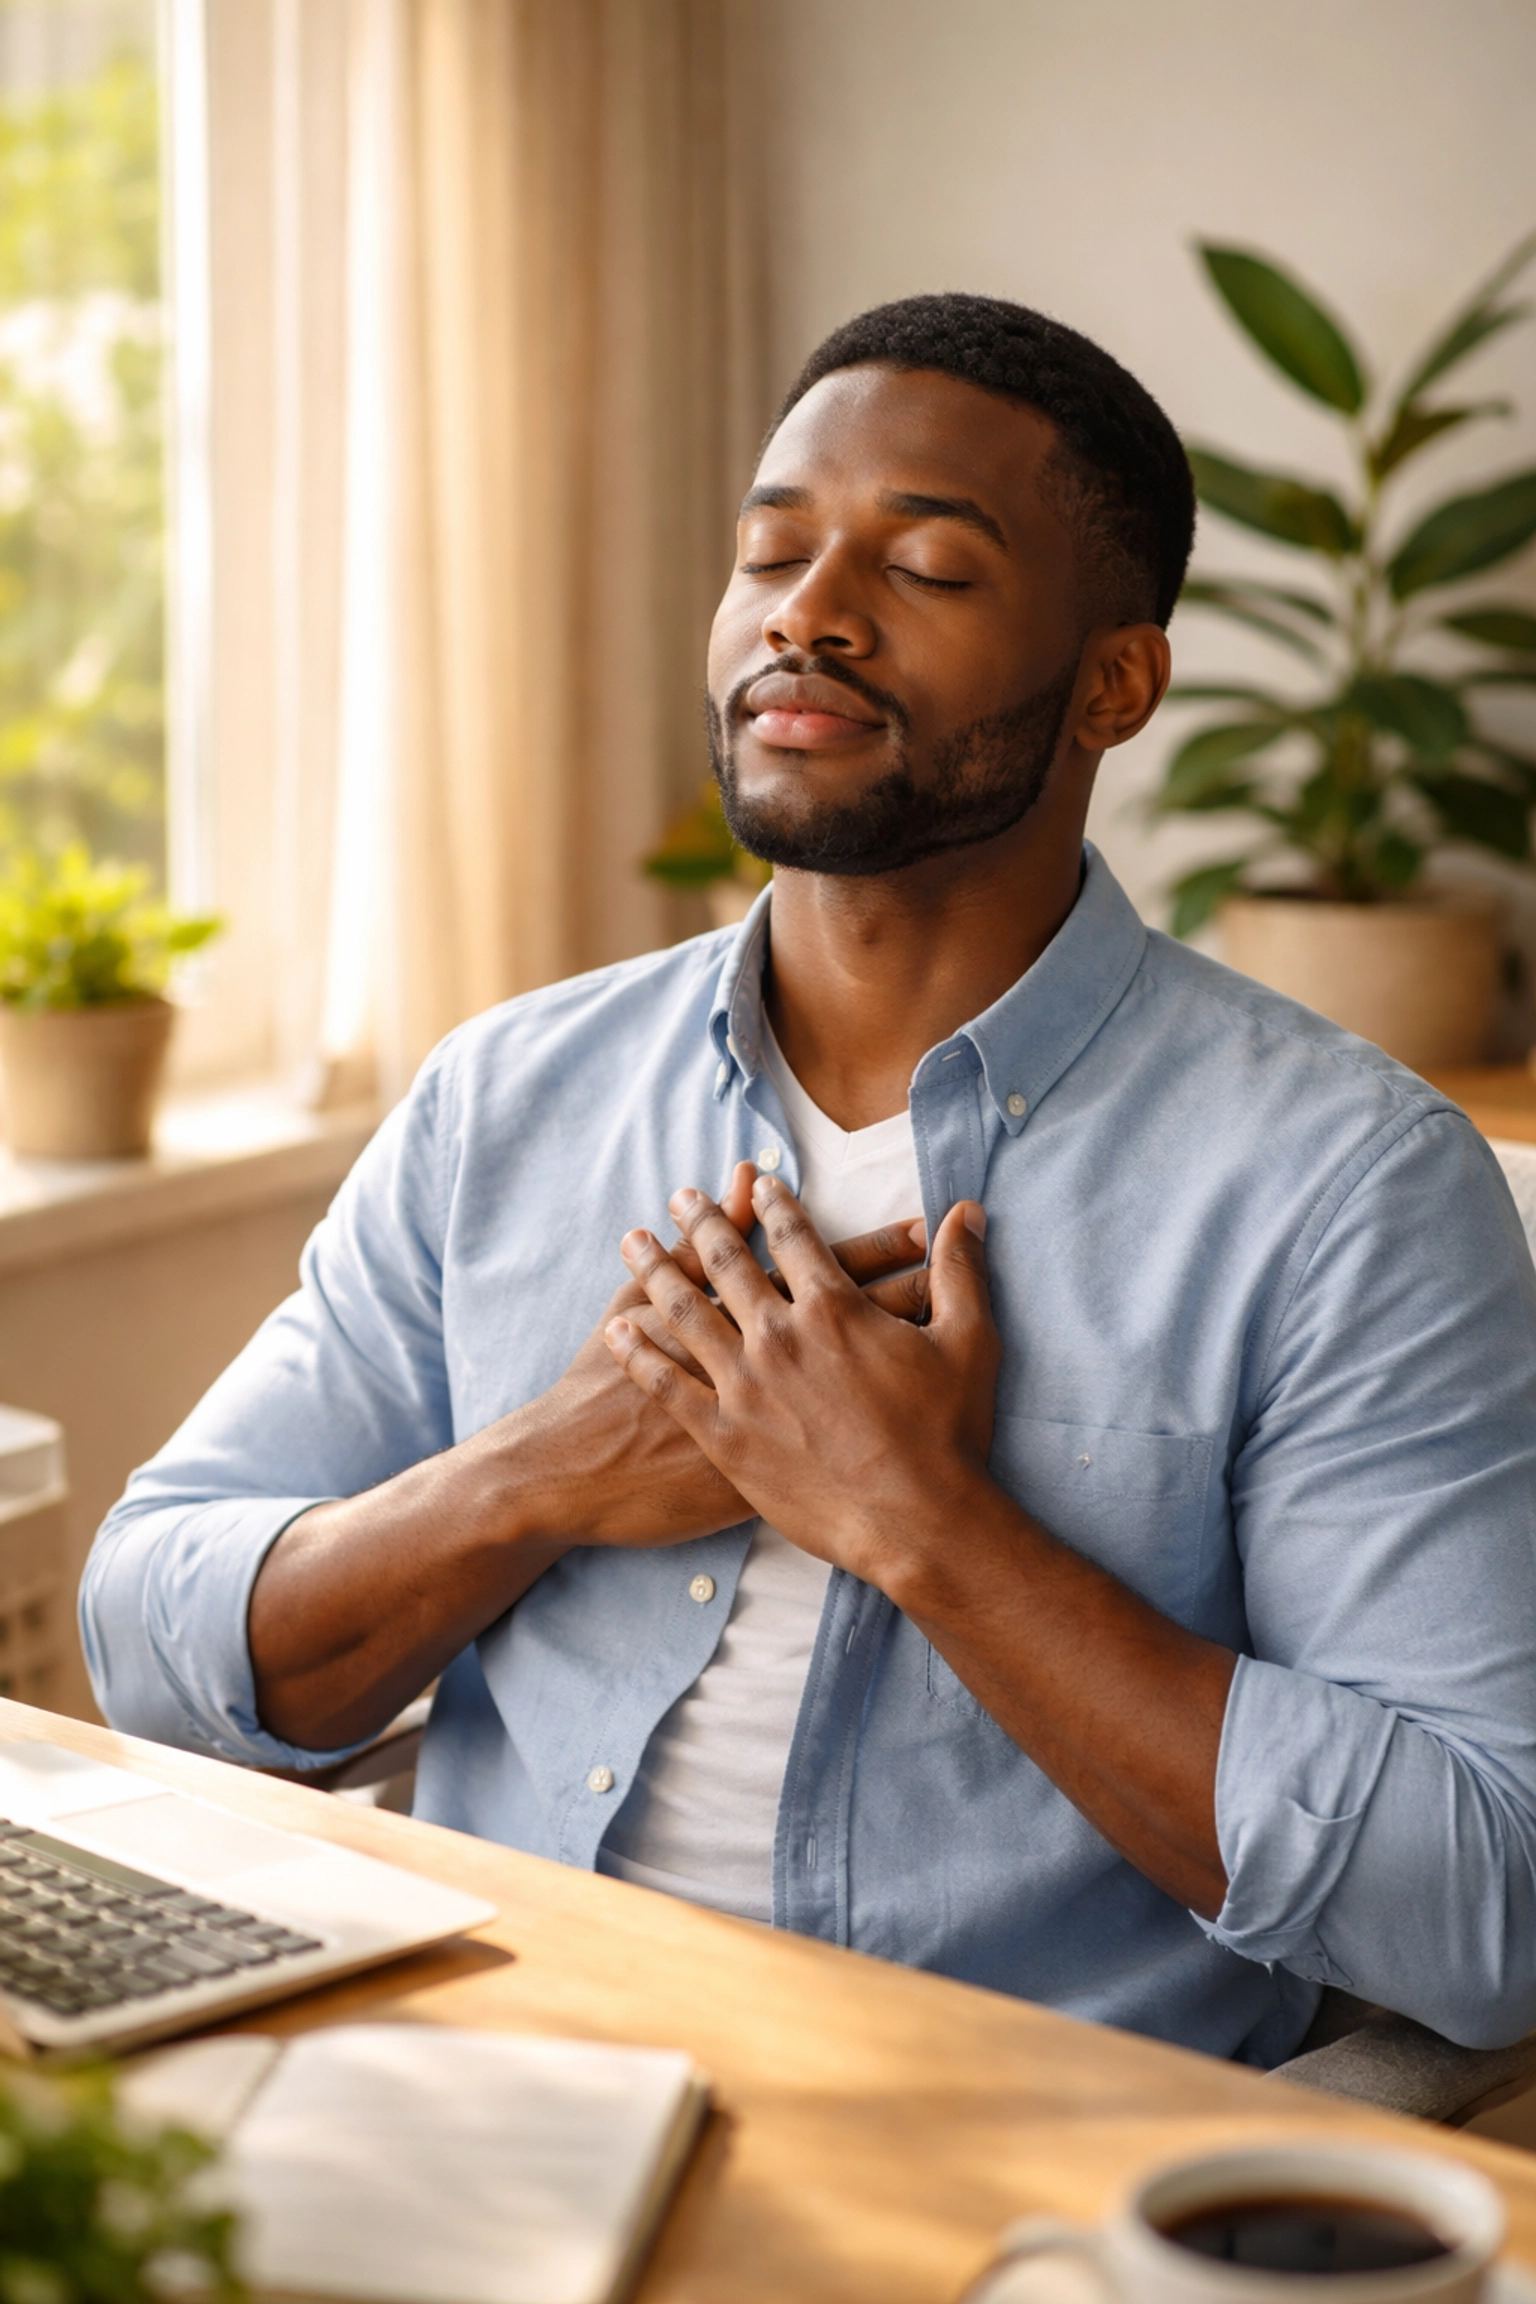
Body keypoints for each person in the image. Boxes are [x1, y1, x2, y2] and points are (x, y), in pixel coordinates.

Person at [83, 293, 1536, 2067]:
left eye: (923, 566)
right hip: (470, 2086)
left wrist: (923, 1523)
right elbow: (146, 1639)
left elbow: (1489, 1910)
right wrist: (533, 1481)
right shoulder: (506, 1097)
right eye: (772, 550)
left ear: (1116, 683)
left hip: (993, 2162)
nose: (808, 613)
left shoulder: (1348, 1189)